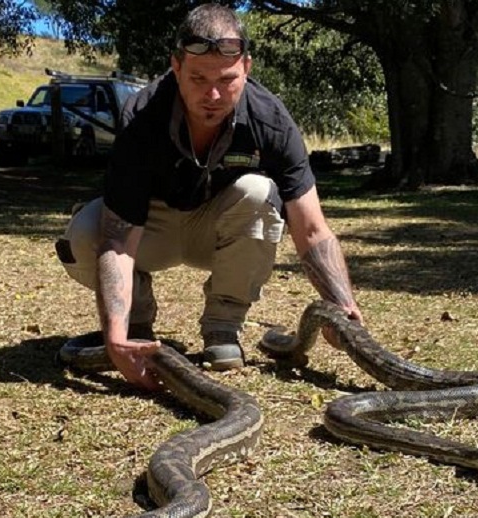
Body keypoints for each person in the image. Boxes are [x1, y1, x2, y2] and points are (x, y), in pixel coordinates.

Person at [55, 3, 362, 389]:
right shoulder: (143, 115)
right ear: (176, 67)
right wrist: (113, 337)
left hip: (217, 233)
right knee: (85, 231)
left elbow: (313, 230)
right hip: (153, 228)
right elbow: (117, 239)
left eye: (228, 79)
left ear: (246, 69)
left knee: (260, 192)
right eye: (198, 78)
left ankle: (223, 327)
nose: (213, 94)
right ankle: (136, 325)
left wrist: (340, 304)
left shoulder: (270, 118)